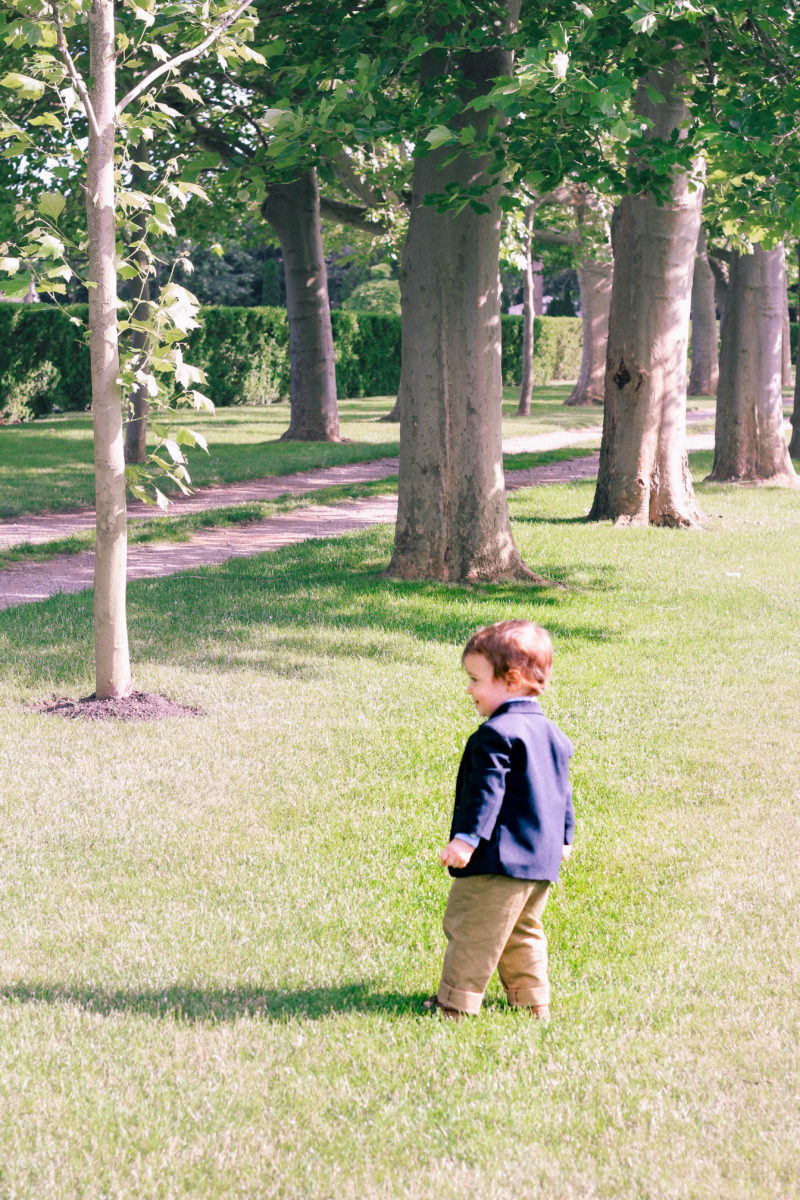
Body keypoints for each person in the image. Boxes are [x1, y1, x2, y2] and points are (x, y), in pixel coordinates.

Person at [424, 620, 574, 1022]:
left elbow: (486, 794)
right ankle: (532, 1000)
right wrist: (564, 838)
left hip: (497, 860)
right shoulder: (553, 735)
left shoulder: (496, 734)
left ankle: (455, 1004)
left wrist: (466, 840)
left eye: (475, 679)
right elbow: (562, 791)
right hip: (539, 863)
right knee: (523, 931)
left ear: (512, 679)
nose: (469, 689)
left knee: (471, 929)